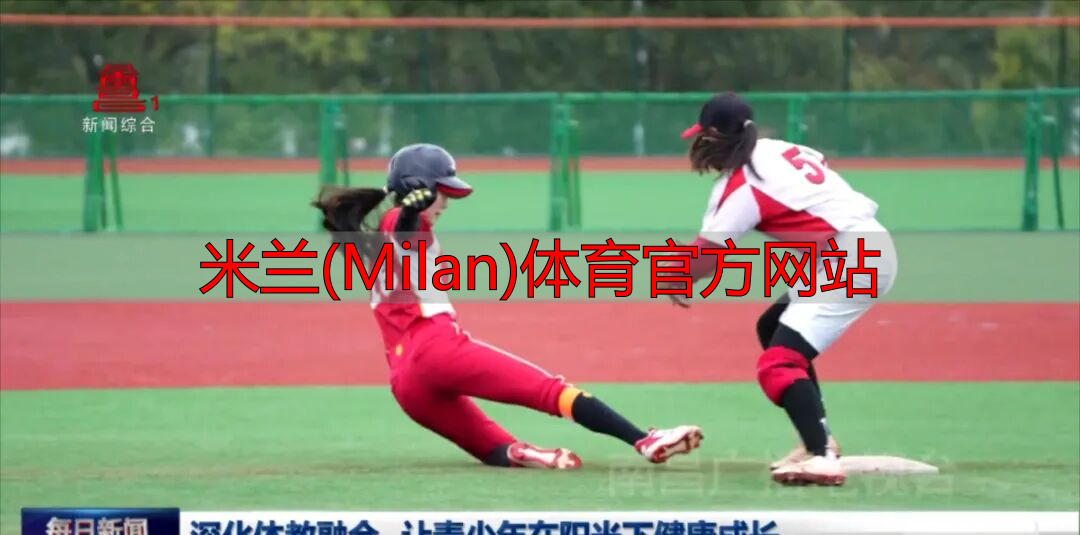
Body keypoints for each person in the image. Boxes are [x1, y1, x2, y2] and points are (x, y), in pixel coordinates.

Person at [312, 143, 703, 470]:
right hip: (437, 349)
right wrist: (413, 210)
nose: (446, 202)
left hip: (406, 386)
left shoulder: (378, 243)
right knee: (552, 392)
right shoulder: (401, 220)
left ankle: (526, 453)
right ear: (419, 187)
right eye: (442, 192)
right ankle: (644, 440)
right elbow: (404, 232)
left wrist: (414, 211)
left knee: (491, 447)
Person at [666, 93, 899, 486]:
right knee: (772, 327)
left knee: (778, 364)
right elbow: (817, 167)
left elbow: (708, 253)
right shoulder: (778, 149)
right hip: (860, 246)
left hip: (853, 259)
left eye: (701, 137)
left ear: (713, 138)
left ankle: (822, 457)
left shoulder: (741, 185)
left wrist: (676, 277)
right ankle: (816, 441)